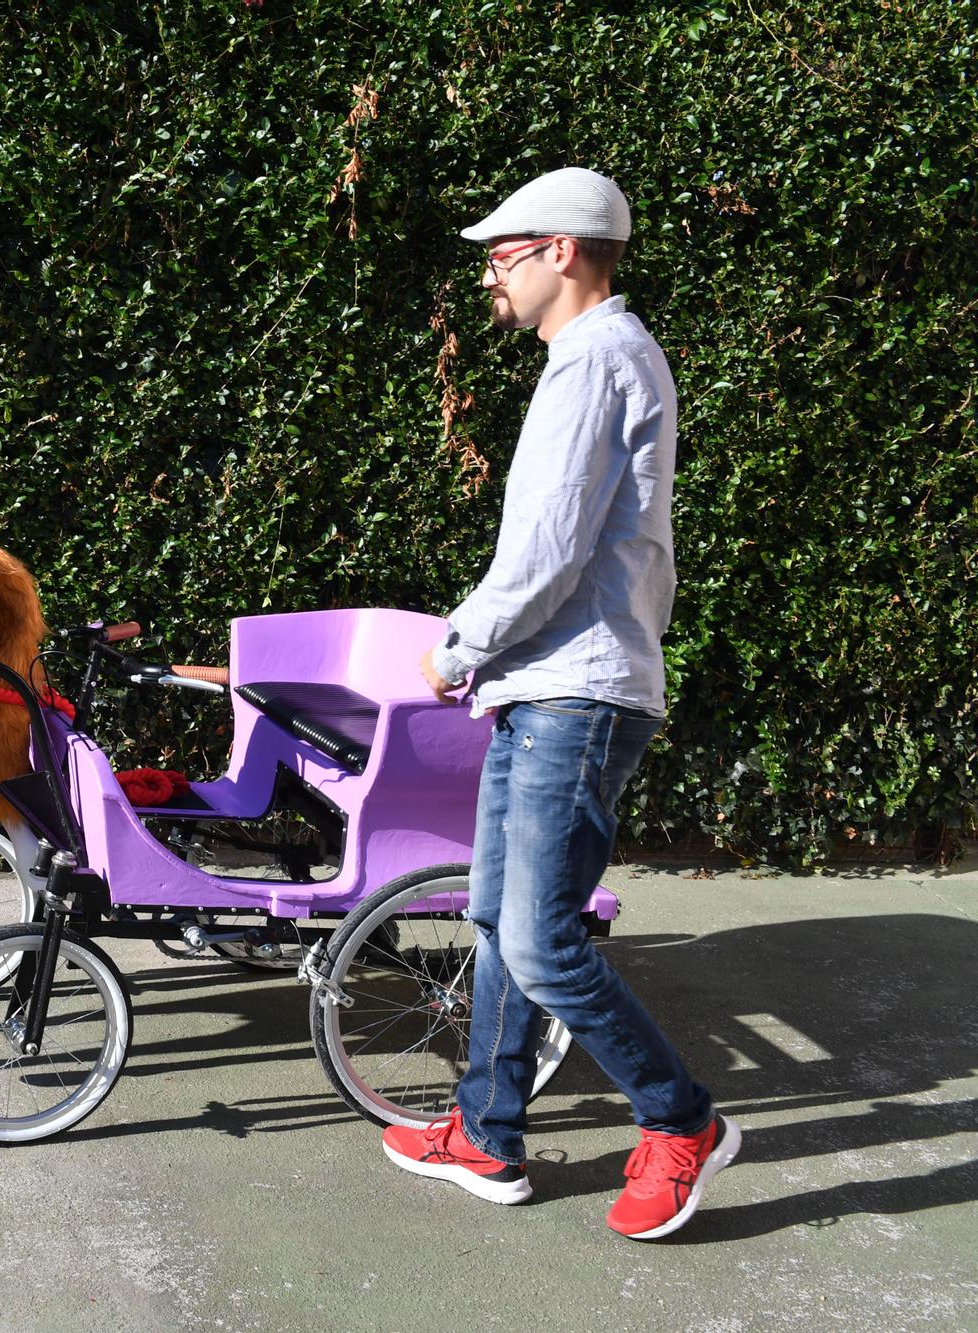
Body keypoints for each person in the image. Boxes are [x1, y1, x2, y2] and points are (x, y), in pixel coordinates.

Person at [381, 167, 738, 1240]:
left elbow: (545, 552)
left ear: (563, 252)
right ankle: (487, 1135)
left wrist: (455, 647)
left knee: (537, 943)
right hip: (549, 690)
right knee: (496, 924)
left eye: (502, 253)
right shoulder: (591, 361)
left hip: (572, 696)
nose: (489, 272)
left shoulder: (594, 362)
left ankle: (681, 1122)